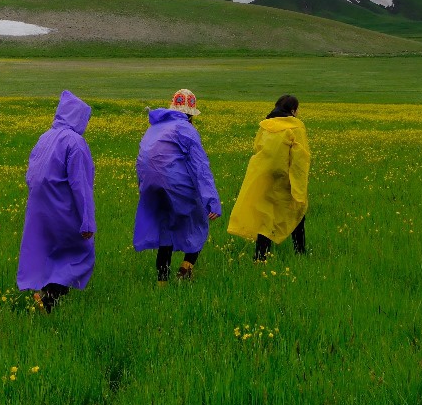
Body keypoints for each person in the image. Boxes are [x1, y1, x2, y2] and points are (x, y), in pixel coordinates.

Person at [16, 90, 97, 312]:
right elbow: (81, 186)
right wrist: (87, 222)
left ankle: (44, 292)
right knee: (78, 252)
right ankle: (49, 300)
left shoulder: (46, 136)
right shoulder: (75, 142)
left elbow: (31, 174)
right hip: (63, 206)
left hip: (39, 207)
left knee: (50, 250)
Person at [133, 89, 221, 282]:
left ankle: (162, 282)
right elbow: (200, 167)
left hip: (150, 186)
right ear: (191, 115)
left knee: (165, 228)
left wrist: (144, 187)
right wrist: (211, 201)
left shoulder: (155, 127)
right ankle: (185, 270)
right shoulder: (186, 129)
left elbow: (141, 159)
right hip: (175, 183)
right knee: (198, 220)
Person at [228, 94, 311, 261]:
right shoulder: (296, 127)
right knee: (297, 212)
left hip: (264, 176)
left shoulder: (265, 126)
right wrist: (299, 188)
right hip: (285, 178)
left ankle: (260, 256)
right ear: (293, 110)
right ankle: (300, 252)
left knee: (265, 217)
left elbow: (257, 147)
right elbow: (300, 158)